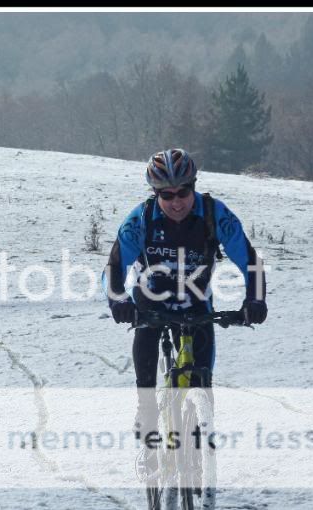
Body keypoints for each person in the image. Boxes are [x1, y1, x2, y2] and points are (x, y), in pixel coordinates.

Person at [104, 148, 267, 458]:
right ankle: (147, 405)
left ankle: (200, 444)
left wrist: (255, 300)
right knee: (146, 331)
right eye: (166, 195)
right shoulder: (140, 220)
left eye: (184, 191)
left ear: (194, 186)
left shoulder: (215, 214)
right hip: (151, 297)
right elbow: (113, 268)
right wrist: (119, 301)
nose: (176, 201)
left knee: (201, 379)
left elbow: (250, 262)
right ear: (156, 194)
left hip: (196, 301)